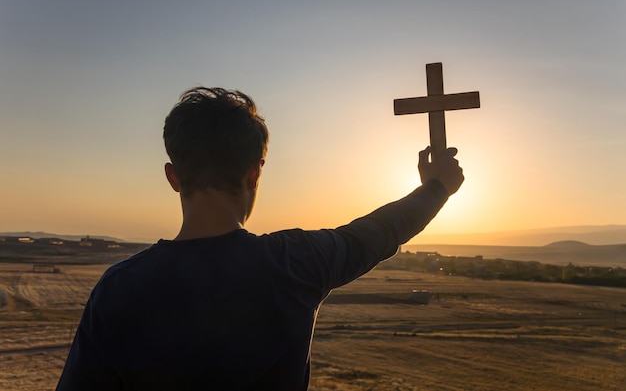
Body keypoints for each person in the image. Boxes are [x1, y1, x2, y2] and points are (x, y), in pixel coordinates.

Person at [56, 87, 464, 391]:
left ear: (173, 177)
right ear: (255, 173)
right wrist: (435, 188)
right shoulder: (297, 263)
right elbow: (376, 234)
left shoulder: (120, 288)